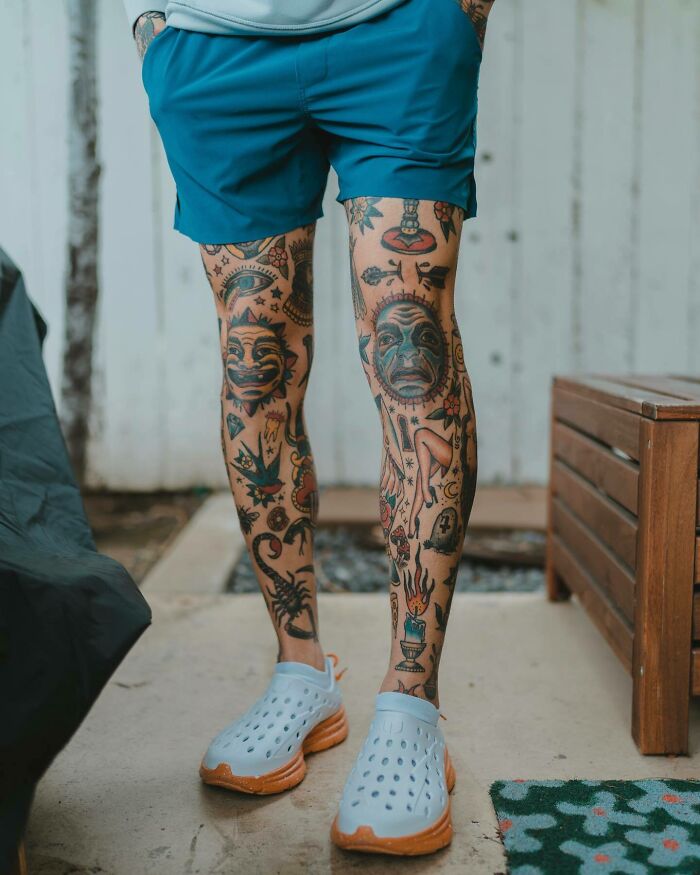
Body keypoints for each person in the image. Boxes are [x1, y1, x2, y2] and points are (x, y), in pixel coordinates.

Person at [124, 0, 493, 856]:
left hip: (393, 28)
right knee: (255, 366)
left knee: (413, 348)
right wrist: (152, 26)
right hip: (213, 48)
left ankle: (410, 701)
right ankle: (302, 673)